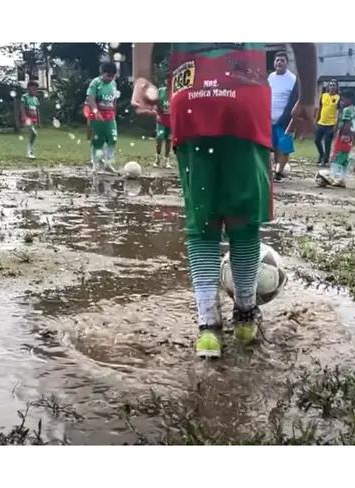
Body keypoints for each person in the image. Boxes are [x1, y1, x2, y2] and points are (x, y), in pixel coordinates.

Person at [131, 42, 318, 358]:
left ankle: (208, 329)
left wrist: (141, 76)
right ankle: (245, 318)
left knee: (202, 220)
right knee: (243, 219)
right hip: (244, 91)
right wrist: (308, 99)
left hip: (190, 93)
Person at [268, 51, 298, 181]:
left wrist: (289, 118)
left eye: (282, 60)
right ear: (274, 63)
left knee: (285, 148)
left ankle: (279, 172)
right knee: (273, 147)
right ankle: (276, 169)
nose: (279, 62)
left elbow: (295, 100)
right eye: (277, 60)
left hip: (285, 121)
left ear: (287, 63)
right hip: (270, 119)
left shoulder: (293, 79)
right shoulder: (270, 77)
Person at [86, 62, 119, 173]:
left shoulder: (114, 84)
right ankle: (95, 164)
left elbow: (114, 100)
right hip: (97, 115)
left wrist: (115, 111)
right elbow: (90, 98)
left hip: (110, 115)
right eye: (108, 76)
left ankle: (108, 163)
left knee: (113, 138)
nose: (110, 78)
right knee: (97, 141)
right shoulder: (95, 83)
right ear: (102, 73)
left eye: (112, 76)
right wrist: (95, 111)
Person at [329, 89, 355, 187]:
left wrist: (342, 134)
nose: (341, 102)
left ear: (349, 100)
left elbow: (347, 124)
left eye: (342, 100)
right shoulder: (354, 109)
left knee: (336, 157)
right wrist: (352, 138)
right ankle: (342, 179)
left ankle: (332, 177)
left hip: (344, 137)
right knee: (344, 159)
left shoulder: (347, 110)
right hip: (350, 137)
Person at [314, 79, 339, 167]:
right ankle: (321, 155)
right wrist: (316, 119)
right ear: (328, 87)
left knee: (327, 143)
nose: (332, 87)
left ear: (336, 87)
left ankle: (325, 160)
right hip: (321, 122)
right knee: (317, 141)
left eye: (334, 85)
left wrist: (336, 124)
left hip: (331, 124)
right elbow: (320, 108)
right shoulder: (324, 95)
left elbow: (338, 111)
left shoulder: (338, 98)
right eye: (330, 85)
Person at [154, 74, 173, 169]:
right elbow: (156, 104)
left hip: (171, 119)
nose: (169, 82)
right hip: (162, 118)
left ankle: (166, 160)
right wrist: (157, 114)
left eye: (171, 80)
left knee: (169, 139)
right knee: (160, 137)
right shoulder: (160, 91)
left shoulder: (175, 92)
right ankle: (157, 158)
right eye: (167, 79)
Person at [21, 80, 41, 159]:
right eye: (33, 89)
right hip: (27, 118)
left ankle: (30, 149)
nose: (35, 91)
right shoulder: (24, 97)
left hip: (34, 119)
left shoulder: (36, 99)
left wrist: (39, 121)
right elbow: (22, 107)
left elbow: (37, 110)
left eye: (36, 89)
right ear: (29, 88)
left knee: (32, 135)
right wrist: (23, 116)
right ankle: (29, 151)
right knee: (33, 133)